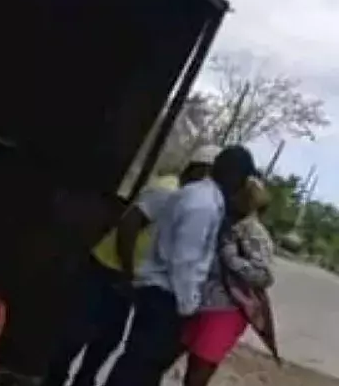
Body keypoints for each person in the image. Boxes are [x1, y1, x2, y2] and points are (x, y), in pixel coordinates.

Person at [42, 145, 220, 386]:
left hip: (130, 277)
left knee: (107, 340)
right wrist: (128, 273)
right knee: (78, 334)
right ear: (201, 170)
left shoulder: (188, 197)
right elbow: (129, 226)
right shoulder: (168, 191)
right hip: (109, 269)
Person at [105, 145, 259, 386]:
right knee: (139, 367)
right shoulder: (203, 205)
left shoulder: (202, 197)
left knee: (140, 366)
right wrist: (189, 305)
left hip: (163, 292)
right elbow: (185, 262)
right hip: (166, 295)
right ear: (234, 176)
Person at [180, 177, 280, 386]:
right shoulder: (226, 221)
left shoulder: (253, 231)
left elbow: (264, 276)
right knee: (192, 368)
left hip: (227, 309)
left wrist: (231, 258)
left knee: (198, 374)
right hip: (203, 302)